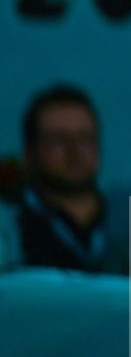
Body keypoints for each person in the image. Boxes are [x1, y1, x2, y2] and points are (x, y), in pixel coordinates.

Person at [5, 84, 120, 273]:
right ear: (29, 153)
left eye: (85, 138)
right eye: (58, 140)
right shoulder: (10, 225)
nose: (75, 151)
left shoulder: (128, 222)